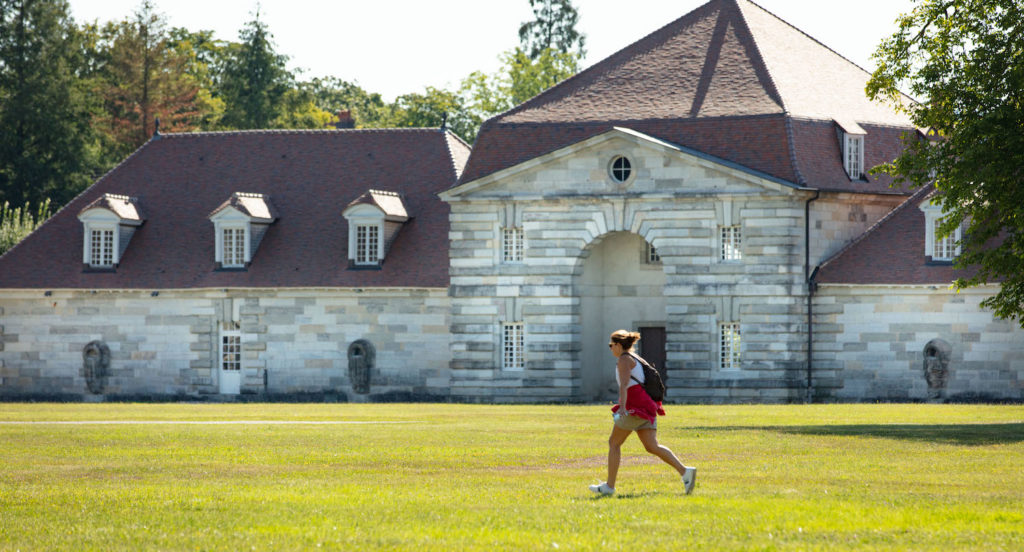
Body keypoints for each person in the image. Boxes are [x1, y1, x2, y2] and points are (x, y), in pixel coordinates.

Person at [589, 329, 696, 496]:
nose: (610, 348)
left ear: (618, 345)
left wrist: (623, 408)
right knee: (652, 446)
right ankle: (685, 472)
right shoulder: (636, 358)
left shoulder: (624, 360)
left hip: (636, 406)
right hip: (647, 405)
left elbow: (624, 386)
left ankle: (609, 486)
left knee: (614, 443)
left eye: (611, 345)